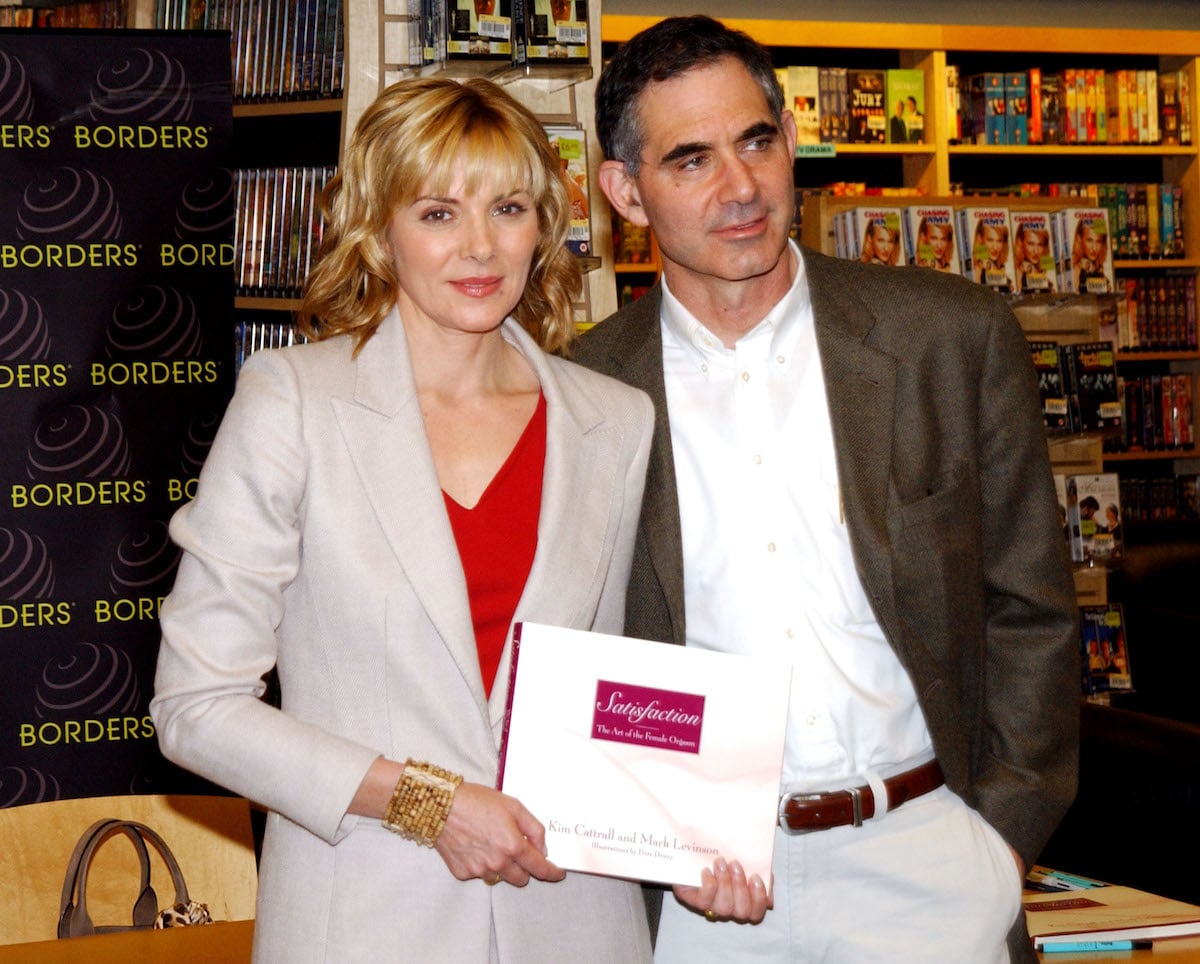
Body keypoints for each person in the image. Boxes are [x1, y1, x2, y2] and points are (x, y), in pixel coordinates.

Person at [575, 15, 1078, 963]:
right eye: (691, 160)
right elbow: (579, 653)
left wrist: (1001, 841)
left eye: (756, 142)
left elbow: (1033, 607)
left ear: (792, 140)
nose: (739, 188)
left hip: (927, 859)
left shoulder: (947, 339)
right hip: (698, 892)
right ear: (625, 193)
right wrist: (653, 833)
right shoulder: (584, 392)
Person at [150, 76, 655, 963]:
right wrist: (429, 804)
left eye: (507, 208)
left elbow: (625, 688)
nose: (479, 246)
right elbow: (197, 707)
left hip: (574, 919)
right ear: (380, 230)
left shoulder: (615, 422)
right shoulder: (293, 404)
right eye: (437, 213)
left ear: (543, 226)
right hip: (364, 919)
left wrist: (699, 831)